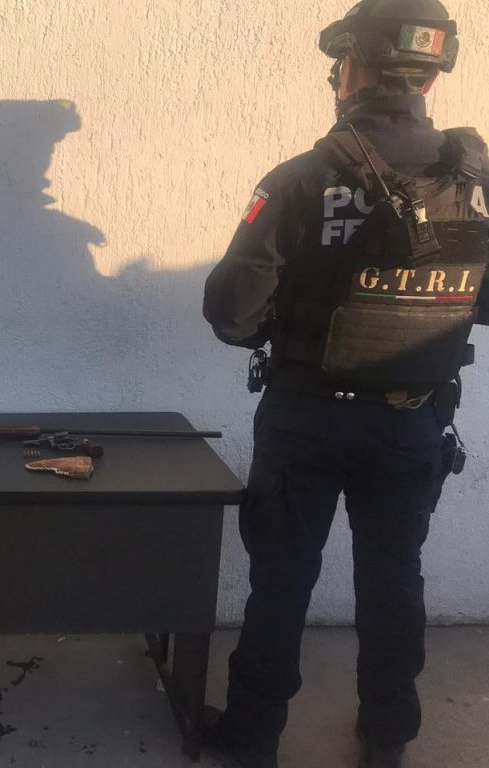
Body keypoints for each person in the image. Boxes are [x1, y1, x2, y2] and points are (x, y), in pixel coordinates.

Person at [202, 1, 487, 767]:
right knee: (394, 580)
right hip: (411, 421)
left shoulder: (302, 180)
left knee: (282, 580)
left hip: (306, 416)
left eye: (338, 67)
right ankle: (387, 737)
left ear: (353, 68)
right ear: (430, 76)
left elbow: (231, 315)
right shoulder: (476, 181)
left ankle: (253, 737)